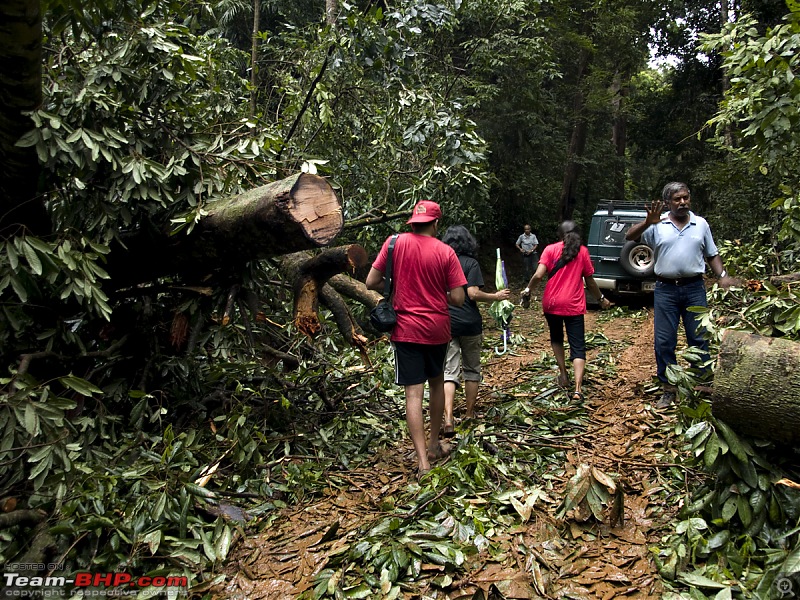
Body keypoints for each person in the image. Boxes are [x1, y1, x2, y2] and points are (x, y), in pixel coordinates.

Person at [365, 201, 467, 478]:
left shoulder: (394, 244)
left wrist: (399, 288)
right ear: (435, 224)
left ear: (412, 222)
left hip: (406, 329)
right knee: (436, 384)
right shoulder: (446, 252)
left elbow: (371, 282)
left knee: (413, 393)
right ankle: (434, 445)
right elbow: (458, 298)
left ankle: (423, 462)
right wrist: (437, 294)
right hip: (437, 329)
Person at [625, 182, 736, 409]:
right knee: (664, 340)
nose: (683, 202)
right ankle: (669, 387)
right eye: (677, 199)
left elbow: (712, 254)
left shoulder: (701, 224)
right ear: (668, 203)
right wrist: (648, 222)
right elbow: (629, 236)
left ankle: (702, 385)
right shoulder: (658, 224)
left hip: (695, 288)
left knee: (699, 337)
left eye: (685, 198)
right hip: (666, 289)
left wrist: (722, 275)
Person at [520, 221, 612, 401]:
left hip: (552, 303)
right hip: (573, 304)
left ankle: (563, 374)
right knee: (577, 345)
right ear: (577, 234)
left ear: (559, 234)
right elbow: (590, 282)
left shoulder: (550, 249)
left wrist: (528, 290)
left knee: (556, 338)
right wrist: (601, 299)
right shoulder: (583, 252)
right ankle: (578, 389)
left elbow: (538, 275)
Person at [440, 225, 511, 436]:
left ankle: (449, 417)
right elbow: (472, 293)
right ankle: (470, 414)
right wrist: (495, 297)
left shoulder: (442, 263)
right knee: (471, 369)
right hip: (470, 323)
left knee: (449, 371)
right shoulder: (471, 263)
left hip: (446, 323)